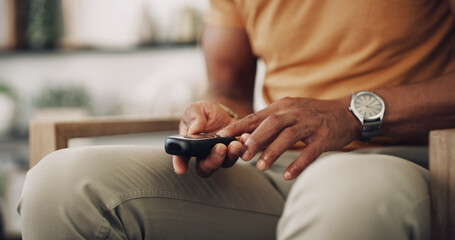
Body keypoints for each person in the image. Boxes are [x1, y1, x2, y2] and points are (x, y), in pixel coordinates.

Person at [19, 0, 455, 239]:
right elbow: (227, 82)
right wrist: (222, 116)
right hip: (273, 165)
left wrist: (350, 113)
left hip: (407, 159)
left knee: (340, 189)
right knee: (59, 185)